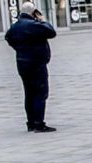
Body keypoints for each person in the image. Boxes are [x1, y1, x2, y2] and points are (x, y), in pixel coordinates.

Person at [4, 2, 57, 133]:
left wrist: (19, 48)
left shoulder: (15, 26)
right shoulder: (34, 25)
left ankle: (31, 122)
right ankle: (39, 123)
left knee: (29, 93)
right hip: (37, 63)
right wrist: (42, 20)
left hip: (22, 63)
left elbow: (8, 37)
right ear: (33, 12)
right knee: (40, 92)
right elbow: (51, 32)